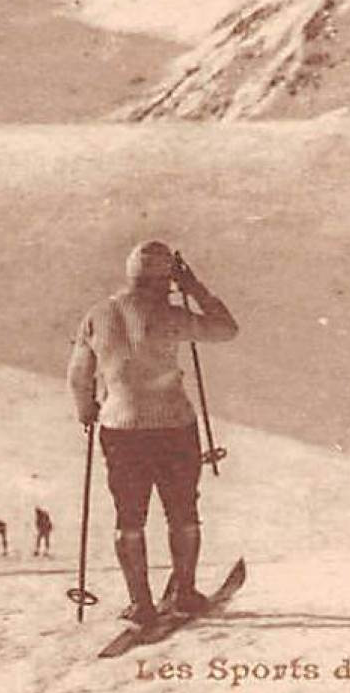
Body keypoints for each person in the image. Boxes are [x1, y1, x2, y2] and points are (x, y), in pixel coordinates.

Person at [67, 240, 238, 627]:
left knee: (129, 517)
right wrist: (194, 287)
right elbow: (227, 329)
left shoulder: (97, 315)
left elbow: (79, 375)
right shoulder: (171, 315)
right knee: (182, 511)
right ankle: (186, 592)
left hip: (120, 428)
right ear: (166, 279)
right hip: (175, 425)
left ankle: (140, 603)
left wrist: (86, 409)